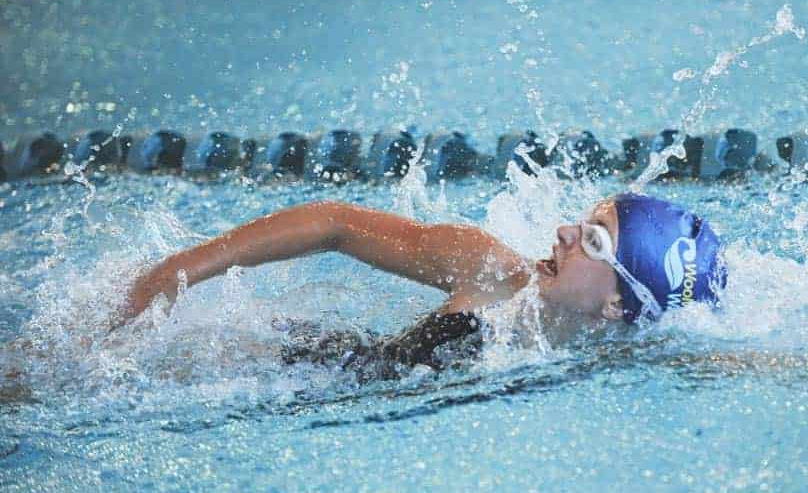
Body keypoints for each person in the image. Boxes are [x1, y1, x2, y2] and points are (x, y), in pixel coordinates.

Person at [118, 193, 727, 379]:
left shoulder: (627, 360)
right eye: (584, 221)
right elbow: (336, 225)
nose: (565, 231)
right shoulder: (491, 272)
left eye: (593, 240)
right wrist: (176, 273)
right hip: (288, 369)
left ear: (619, 305)